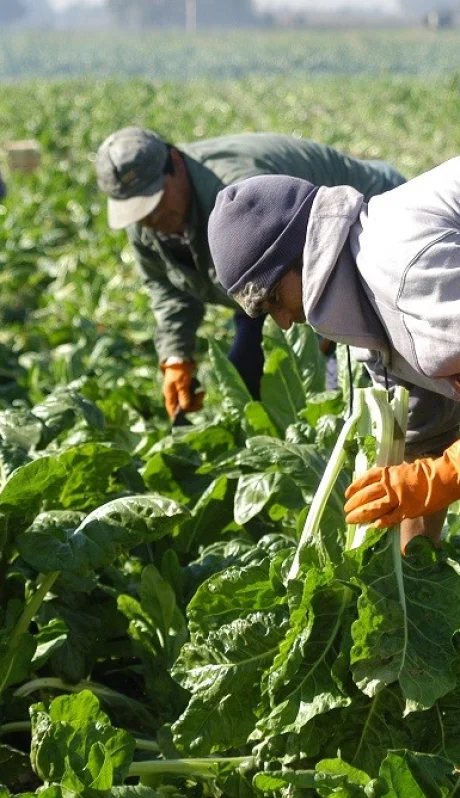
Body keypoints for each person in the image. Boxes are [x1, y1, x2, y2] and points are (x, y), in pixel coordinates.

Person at [207, 157, 460, 552]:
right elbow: (427, 442)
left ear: (301, 256)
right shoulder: (370, 326)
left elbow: (434, 475)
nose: (285, 322)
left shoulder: (402, 271)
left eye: (274, 299)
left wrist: (443, 476)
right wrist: (406, 578)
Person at [95, 127, 405, 420]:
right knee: (247, 369)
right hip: (272, 281)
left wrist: (326, 330)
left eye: (155, 201)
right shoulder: (148, 224)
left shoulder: (238, 192)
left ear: (174, 162)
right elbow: (167, 286)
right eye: (138, 211)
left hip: (360, 237)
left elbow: (310, 263)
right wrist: (176, 355)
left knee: (356, 383)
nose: (151, 218)